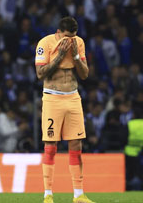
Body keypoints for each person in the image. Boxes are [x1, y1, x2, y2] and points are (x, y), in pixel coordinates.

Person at [35, 17, 94, 203]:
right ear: (59, 32)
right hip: (52, 98)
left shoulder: (78, 43)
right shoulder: (45, 43)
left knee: (76, 145)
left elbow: (84, 74)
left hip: (73, 97)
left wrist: (76, 56)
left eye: (74, 37)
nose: (71, 41)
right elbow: (40, 74)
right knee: (51, 146)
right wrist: (59, 56)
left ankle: (78, 195)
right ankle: (48, 195)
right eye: (68, 37)